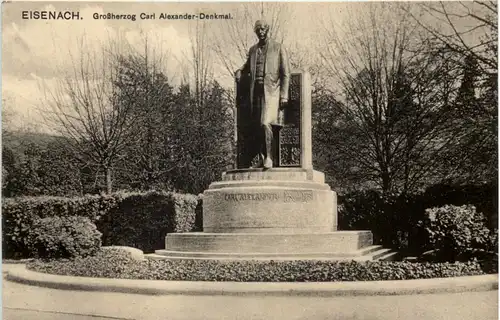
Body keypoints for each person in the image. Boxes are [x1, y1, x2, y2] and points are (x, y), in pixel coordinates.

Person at [235, 19, 291, 169]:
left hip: (272, 92)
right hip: (256, 92)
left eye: (263, 29)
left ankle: (269, 158)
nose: (260, 31)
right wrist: (240, 71)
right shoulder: (253, 50)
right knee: (257, 126)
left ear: (267, 30)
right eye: (258, 29)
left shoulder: (278, 48)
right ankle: (262, 157)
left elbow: (286, 73)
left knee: (266, 123)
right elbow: (247, 67)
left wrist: (284, 95)